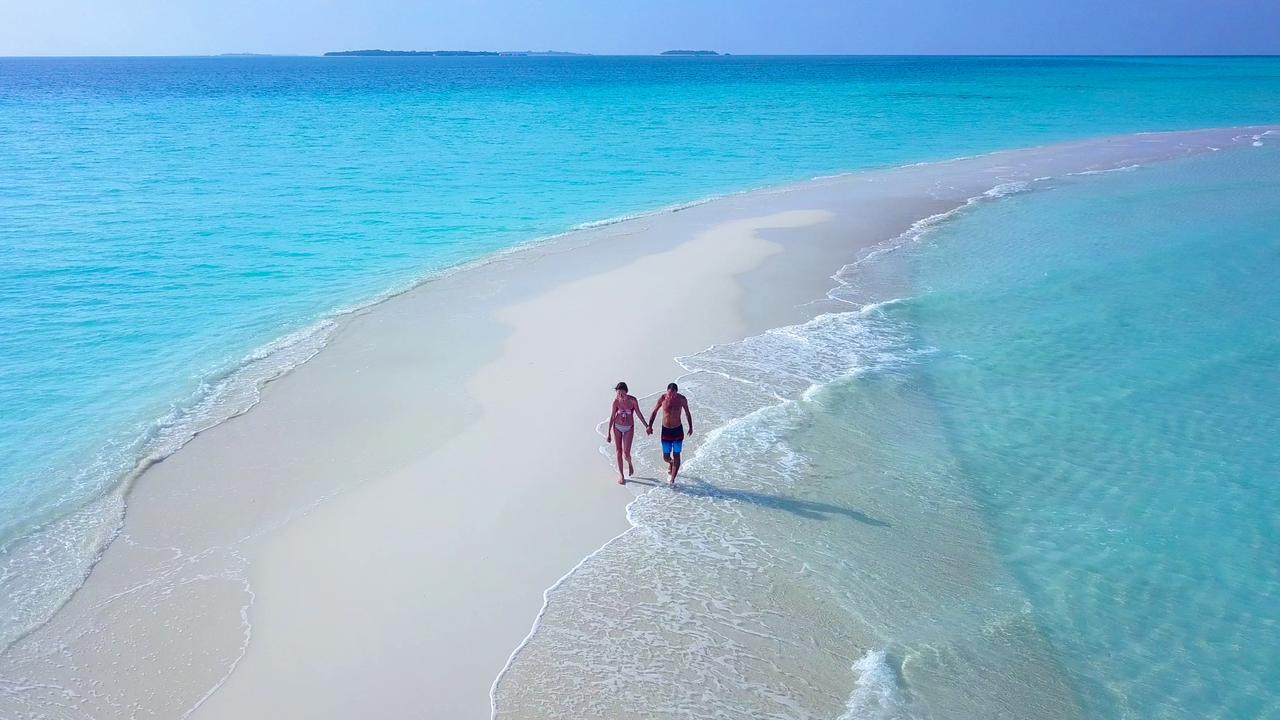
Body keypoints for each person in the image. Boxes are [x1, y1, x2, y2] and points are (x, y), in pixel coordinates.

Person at [647, 382, 693, 486]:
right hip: (666, 431)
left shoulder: (682, 399)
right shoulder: (663, 398)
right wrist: (650, 426)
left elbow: (687, 412)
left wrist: (690, 426)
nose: (671, 396)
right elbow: (654, 412)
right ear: (667, 391)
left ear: (677, 392)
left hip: (677, 430)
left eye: (673, 394)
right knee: (666, 457)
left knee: (677, 455)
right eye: (669, 394)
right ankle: (671, 463)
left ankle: (672, 480)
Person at [606, 382, 649, 485]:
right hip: (617, 427)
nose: (621, 396)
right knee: (618, 451)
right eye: (618, 393)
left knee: (626, 453)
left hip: (629, 428)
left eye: (622, 393)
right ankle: (621, 475)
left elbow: (638, 413)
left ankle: (629, 463)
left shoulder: (632, 400)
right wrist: (608, 433)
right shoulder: (616, 402)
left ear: (627, 392)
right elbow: (612, 416)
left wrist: (646, 426)